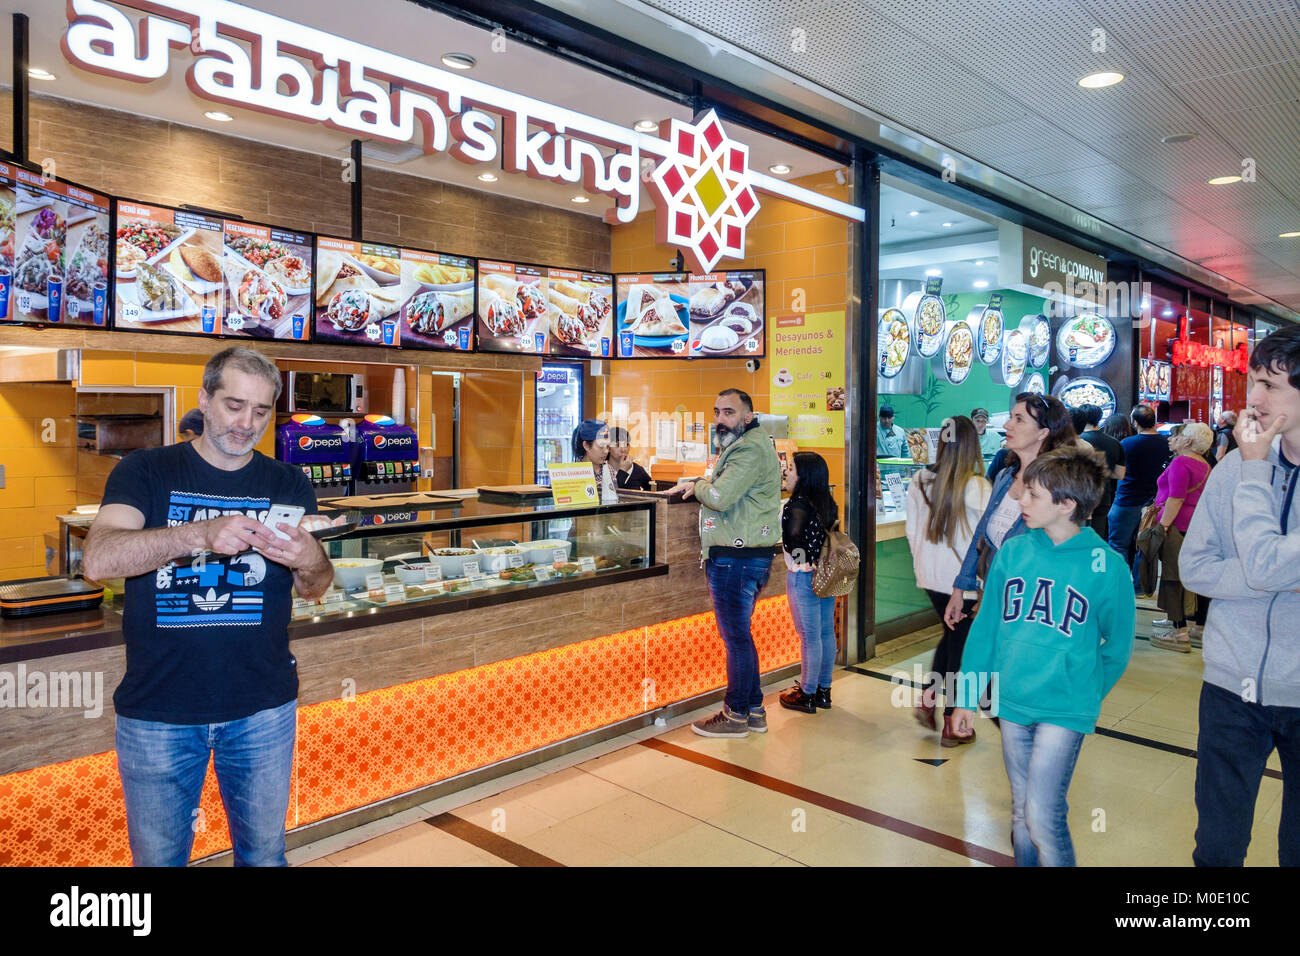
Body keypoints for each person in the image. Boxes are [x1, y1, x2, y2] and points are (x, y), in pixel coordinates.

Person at [81, 347, 333, 866]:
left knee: (264, 857)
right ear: (204, 399)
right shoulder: (146, 471)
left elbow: (314, 587)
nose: (247, 423)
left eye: (261, 411)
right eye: (234, 405)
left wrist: (312, 557)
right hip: (160, 711)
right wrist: (199, 533)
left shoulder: (288, 483)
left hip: (264, 707)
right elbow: (99, 560)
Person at [951, 445, 1135, 866]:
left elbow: (1118, 647)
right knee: (1020, 810)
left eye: (1032, 494)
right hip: (1014, 702)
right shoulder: (1014, 553)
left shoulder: (1106, 567)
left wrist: (1084, 692)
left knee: (1042, 814)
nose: (1020, 500)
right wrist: (966, 696)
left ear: (1067, 504)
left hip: (1065, 709)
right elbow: (987, 631)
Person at [1180, 324, 1300, 866]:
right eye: (1253, 381)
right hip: (1230, 685)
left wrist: (1266, 565)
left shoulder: (1244, 466)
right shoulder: (1233, 467)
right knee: (1218, 847)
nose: (1254, 398)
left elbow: (1264, 561)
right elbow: (1193, 567)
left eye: (1272, 385)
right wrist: (1271, 575)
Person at [667, 389, 782, 738]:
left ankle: (735, 716)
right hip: (745, 556)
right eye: (717, 411)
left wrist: (698, 485)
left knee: (735, 639)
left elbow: (719, 496)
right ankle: (755, 710)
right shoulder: (751, 443)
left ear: (748, 416)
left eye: (729, 412)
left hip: (737, 559)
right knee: (741, 637)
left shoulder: (748, 448)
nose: (720, 419)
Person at [944, 393, 1076, 634]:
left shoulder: (1059, 486)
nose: (1007, 425)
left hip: (1031, 606)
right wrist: (960, 589)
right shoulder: (1006, 476)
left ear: (1043, 432)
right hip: (992, 595)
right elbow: (982, 535)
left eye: (1019, 419)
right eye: (1010, 417)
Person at [904, 416, 990, 744]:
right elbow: (988, 538)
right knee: (961, 649)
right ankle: (952, 722)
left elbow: (912, 533)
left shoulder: (920, 479)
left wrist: (923, 566)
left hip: (931, 576)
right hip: (962, 580)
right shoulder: (977, 486)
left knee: (951, 637)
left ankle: (928, 700)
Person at [777, 451, 839, 714]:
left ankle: (807, 692)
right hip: (827, 575)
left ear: (803, 476)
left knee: (809, 636)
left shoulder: (796, 506)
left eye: (791, 469)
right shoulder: (828, 502)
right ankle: (824, 689)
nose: (786, 473)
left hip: (804, 577)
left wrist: (804, 562)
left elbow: (793, 541)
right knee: (826, 632)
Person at [1146, 422, 1214, 652]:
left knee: (1172, 577)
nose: (1178, 437)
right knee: (1192, 577)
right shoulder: (1204, 464)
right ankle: (1197, 626)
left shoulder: (1180, 462)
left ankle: (1179, 632)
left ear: (1188, 441)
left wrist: (1163, 525)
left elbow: (1176, 498)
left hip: (1175, 525)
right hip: (1196, 525)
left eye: (1183, 434)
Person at [1106, 404, 1171, 589]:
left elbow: (1117, 471)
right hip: (1154, 501)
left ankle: (1118, 583)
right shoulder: (1166, 442)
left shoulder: (1127, 444)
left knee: (1118, 544)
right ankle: (1140, 585)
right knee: (1144, 545)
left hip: (1126, 499)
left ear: (1135, 423)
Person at [1077, 403, 1126, 540]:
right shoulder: (1114, 442)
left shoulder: (1079, 441)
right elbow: (1120, 474)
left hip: (1082, 497)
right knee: (1096, 538)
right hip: (1104, 496)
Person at [571, 418, 617, 502]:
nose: (606, 451)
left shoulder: (609, 470)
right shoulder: (573, 473)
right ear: (586, 446)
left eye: (607, 446)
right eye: (601, 447)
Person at [607, 425, 652, 491]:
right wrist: (623, 471)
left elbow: (651, 488)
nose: (623, 449)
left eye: (626, 444)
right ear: (608, 447)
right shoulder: (602, 469)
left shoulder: (637, 469)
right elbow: (611, 492)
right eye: (617, 445)